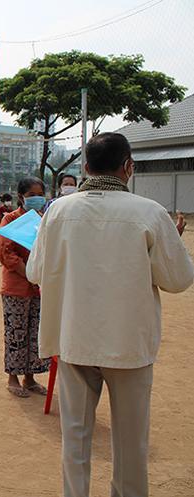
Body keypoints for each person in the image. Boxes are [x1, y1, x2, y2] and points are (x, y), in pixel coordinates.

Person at [26, 133, 193, 497]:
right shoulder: (149, 212)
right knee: (131, 444)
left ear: (85, 167)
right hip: (128, 344)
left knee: (75, 439)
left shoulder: (57, 211)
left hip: (74, 340)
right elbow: (179, 279)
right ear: (128, 166)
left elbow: (34, 273)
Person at [0, 177, 50, 398]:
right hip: (16, 287)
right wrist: (30, 273)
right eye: (31, 195)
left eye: (39, 194)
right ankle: (13, 377)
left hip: (39, 287)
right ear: (21, 197)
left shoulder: (43, 219)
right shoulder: (10, 219)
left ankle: (30, 378)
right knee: (16, 332)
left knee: (35, 333)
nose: (36, 199)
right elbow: (6, 254)